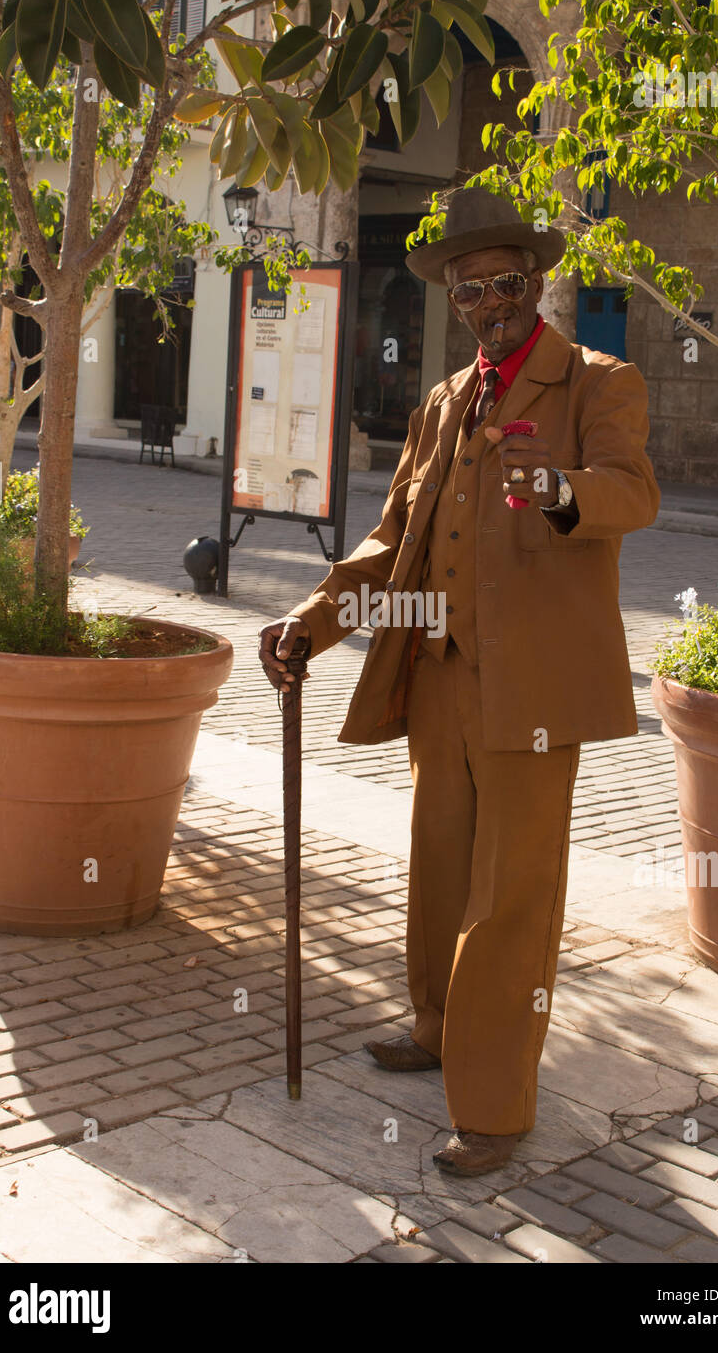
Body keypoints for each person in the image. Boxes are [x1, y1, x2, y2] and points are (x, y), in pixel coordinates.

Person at [258, 188, 660, 1177]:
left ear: (536, 280)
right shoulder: (443, 400)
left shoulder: (594, 382)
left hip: (532, 691)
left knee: (511, 896)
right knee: (438, 867)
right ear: (454, 297)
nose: (489, 302)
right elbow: (392, 539)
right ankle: (435, 1023)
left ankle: (492, 1102)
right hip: (438, 676)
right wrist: (311, 622)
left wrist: (557, 488)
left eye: (506, 283)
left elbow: (633, 492)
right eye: (469, 289)